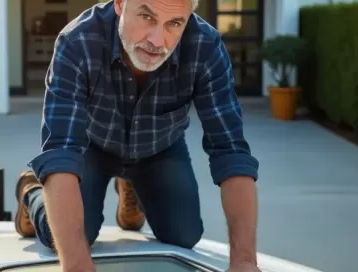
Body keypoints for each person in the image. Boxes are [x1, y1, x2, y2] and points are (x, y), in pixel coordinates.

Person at [15, 0, 260, 271]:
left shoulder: (206, 47)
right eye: (146, 16)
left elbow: (231, 151)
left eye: (174, 23)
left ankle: (130, 184)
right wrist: (76, 266)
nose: (157, 40)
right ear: (120, 4)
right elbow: (61, 151)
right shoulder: (77, 41)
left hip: (160, 148)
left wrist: (245, 262)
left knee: (184, 236)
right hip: (92, 146)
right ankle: (33, 191)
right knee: (67, 237)